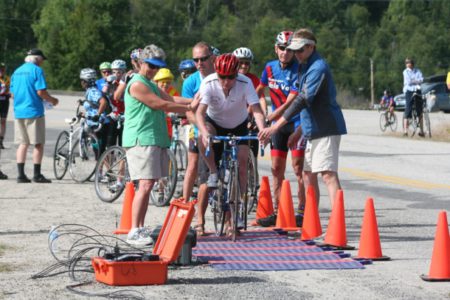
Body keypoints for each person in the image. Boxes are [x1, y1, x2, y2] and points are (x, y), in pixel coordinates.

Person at [259, 28, 347, 210]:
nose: (295, 54)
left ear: (311, 47)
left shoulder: (318, 67)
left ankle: (338, 223)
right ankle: (311, 218)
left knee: (328, 174)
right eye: (293, 50)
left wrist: (276, 126)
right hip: (311, 129)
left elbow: (303, 99)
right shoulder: (304, 65)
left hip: (325, 128)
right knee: (307, 174)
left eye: (299, 50)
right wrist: (299, 132)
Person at [123, 44, 193, 246]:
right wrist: (188, 107)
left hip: (153, 139)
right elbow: (159, 105)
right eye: (151, 66)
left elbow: (170, 98)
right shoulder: (137, 83)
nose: (154, 70)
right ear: (142, 63)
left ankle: (140, 226)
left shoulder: (150, 82)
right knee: (144, 185)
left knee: (149, 183)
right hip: (141, 139)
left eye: (157, 67)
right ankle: (134, 229)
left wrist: (196, 100)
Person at [196, 53, 266, 235]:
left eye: (231, 77)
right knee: (203, 142)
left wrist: (263, 129)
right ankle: (200, 221)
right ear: (217, 73)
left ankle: (236, 214)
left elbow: (257, 110)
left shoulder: (245, 83)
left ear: (237, 74)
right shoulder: (209, 82)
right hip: (214, 123)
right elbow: (199, 113)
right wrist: (204, 133)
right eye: (222, 77)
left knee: (242, 165)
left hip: (238, 125)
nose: (226, 82)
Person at [255, 31, 306, 227]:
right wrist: (259, 108)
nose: (285, 53)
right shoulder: (269, 68)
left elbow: (292, 102)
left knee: (298, 168)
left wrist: (272, 117)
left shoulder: (299, 69)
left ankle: (302, 210)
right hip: (277, 125)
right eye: (281, 48)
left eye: (288, 49)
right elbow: (259, 91)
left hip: (295, 122)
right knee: (276, 168)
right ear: (276, 49)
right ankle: (279, 210)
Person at [181, 42, 217, 236]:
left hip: (220, 126)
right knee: (195, 168)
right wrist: (201, 129)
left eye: (203, 59)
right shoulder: (191, 82)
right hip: (198, 129)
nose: (200, 63)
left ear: (211, 57)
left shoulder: (220, 75)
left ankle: (230, 219)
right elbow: (189, 112)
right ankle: (196, 218)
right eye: (196, 60)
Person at [10, 48, 59, 183]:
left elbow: (12, 94)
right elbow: (41, 92)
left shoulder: (17, 71)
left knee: (23, 143)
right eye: (42, 60)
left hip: (19, 112)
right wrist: (53, 100)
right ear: (37, 58)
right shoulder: (37, 70)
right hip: (34, 111)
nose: (42, 62)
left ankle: (21, 175)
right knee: (38, 144)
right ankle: (37, 175)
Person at [79, 68, 110, 155]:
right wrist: (83, 102)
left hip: (98, 125)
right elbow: (93, 104)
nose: (81, 83)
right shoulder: (91, 90)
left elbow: (103, 102)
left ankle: (102, 168)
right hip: (94, 124)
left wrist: (97, 115)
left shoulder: (93, 91)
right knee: (100, 153)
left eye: (82, 80)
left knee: (100, 153)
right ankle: (101, 168)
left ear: (85, 81)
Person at [403, 58, 424, 137]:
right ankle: (405, 131)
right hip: (409, 91)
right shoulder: (405, 72)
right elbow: (408, 82)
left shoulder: (418, 71)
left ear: (412, 64)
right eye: (407, 63)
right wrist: (417, 81)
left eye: (409, 63)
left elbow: (422, 79)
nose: (408, 65)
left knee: (420, 110)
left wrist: (414, 81)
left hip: (417, 90)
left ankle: (422, 131)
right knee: (408, 109)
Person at [0, 63, 10, 149]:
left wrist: (8, 92)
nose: (1, 71)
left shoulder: (7, 79)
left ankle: (1, 141)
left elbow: (10, 90)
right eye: (0, 69)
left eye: (3, 69)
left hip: (4, 102)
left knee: (3, 121)